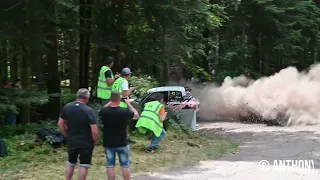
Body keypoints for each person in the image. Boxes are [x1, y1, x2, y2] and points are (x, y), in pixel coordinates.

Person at [57, 88, 99, 180]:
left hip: (72, 139)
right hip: (86, 141)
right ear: (87, 98)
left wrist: (65, 134)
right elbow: (94, 129)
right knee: (84, 165)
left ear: (77, 96)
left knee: (71, 162)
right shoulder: (88, 110)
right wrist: (94, 140)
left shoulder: (67, 107)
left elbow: (60, 123)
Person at [99, 91, 139, 180]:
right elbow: (136, 115)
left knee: (110, 165)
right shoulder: (124, 111)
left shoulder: (105, 111)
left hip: (108, 143)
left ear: (110, 99)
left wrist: (110, 102)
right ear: (119, 99)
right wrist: (128, 104)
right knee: (125, 165)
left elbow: (101, 111)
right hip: (122, 142)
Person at [111, 67, 136, 143]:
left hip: (114, 103)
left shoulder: (117, 80)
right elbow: (125, 94)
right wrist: (131, 89)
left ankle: (116, 138)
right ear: (129, 75)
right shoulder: (124, 81)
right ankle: (125, 138)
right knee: (125, 123)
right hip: (122, 104)